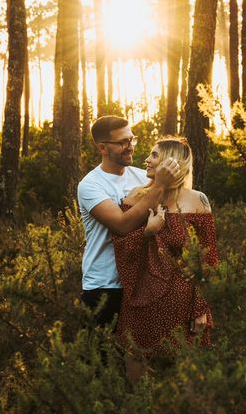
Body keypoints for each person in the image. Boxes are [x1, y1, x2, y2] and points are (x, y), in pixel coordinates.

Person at [112, 137, 219, 355]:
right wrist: (147, 232)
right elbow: (121, 247)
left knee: (181, 378)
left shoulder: (198, 201)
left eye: (154, 155)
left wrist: (201, 307)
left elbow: (208, 259)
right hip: (140, 300)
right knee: (138, 371)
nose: (146, 160)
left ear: (172, 162)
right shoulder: (135, 198)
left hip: (182, 303)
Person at [77, 116, 181, 328]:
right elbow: (122, 225)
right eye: (122, 142)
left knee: (140, 357)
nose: (130, 147)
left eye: (131, 139)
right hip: (104, 286)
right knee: (102, 357)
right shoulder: (90, 185)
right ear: (103, 148)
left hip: (141, 282)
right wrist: (159, 185)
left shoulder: (144, 177)